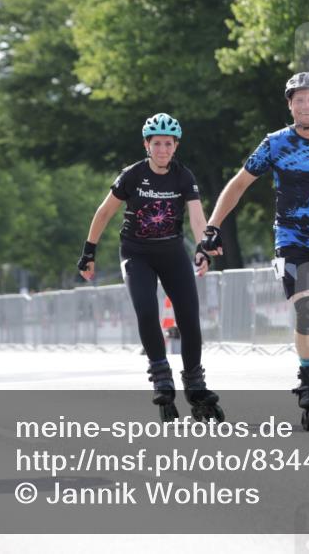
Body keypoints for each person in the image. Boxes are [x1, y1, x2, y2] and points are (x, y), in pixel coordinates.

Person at [201, 72, 309, 430]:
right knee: (307, 309)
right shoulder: (274, 143)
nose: (306, 105)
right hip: (292, 240)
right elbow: (237, 186)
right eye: (299, 100)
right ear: (290, 105)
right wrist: (212, 227)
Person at [78, 112, 223, 422]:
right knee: (146, 310)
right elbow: (104, 213)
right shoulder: (132, 175)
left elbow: (198, 217)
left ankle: (195, 384)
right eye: (156, 144)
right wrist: (89, 252)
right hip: (137, 254)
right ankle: (161, 376)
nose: (162, 150)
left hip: (172, 254)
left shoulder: (184, 176)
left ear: (175, 146)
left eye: (168, 144)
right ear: (147, 145)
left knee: (188, 318)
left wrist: (202, 248)